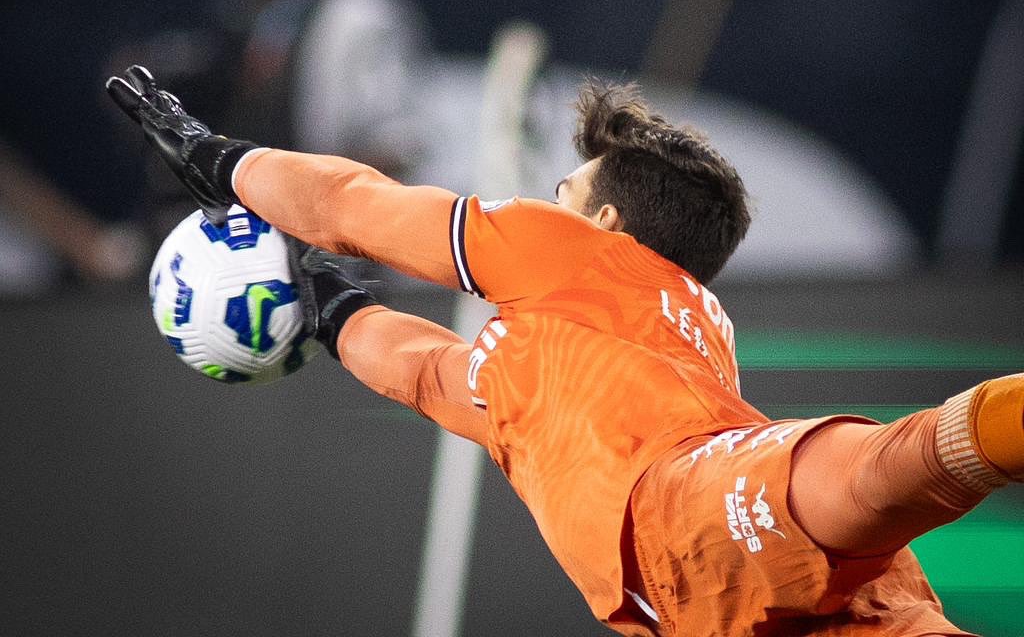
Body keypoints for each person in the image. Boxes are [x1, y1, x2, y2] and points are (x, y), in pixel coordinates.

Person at [105, 67, 1022, 637]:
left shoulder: (575, 256)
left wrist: (220, 159)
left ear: (606, 222)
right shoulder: (577, 355)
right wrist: (325, 307)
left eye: (564, 189)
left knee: (892, 466)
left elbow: (352, 206)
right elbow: (426, 372)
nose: (545, 202)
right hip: (714, 599)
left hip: (700, 510)